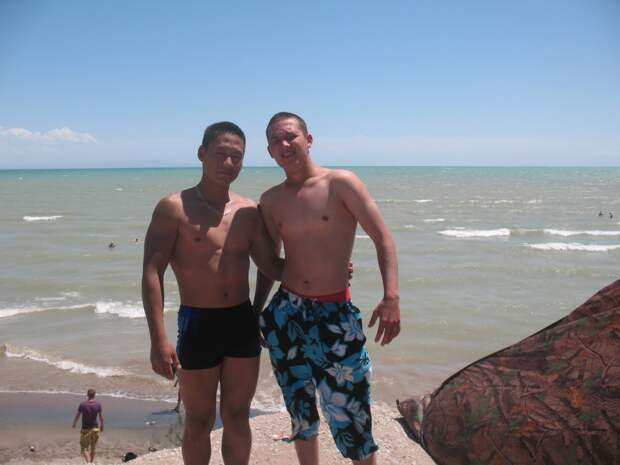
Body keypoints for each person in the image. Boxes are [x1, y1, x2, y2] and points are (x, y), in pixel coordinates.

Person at [258, 112, 401, 465]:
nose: (284, 144)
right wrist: (257, 311)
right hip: (286, 313)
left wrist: (391, 296)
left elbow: (382, 238)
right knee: (300, 412)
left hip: (335, 314)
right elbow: (270, 263)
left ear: (309, 140)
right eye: (276, 141)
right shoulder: (271, 200)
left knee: (353, 416)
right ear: (270, 151)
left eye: (290, 136)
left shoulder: (341, 183)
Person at [142, 121, 283, 465]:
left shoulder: (249, 212)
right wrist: (158, 339)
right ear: (202, 153)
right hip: (197, 322)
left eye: (237, 157)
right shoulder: (174, 208)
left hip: (241, 320)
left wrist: (326, 268)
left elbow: (271, 266)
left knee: (237, 415)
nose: (229, 163)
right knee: (199, 420)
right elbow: (152, 272)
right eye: (221, 154)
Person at [72, 388, 104, 463]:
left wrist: (74, 423)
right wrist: (102, 426)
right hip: (95, 429)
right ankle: (91, 462)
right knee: (93, 448)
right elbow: (101, 417)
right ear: (94, 395)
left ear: (87, 395)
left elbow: (78, 415)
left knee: (84, 448)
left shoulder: (82, 404)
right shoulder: (98, 404)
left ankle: (89, 463)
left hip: (85, 429)